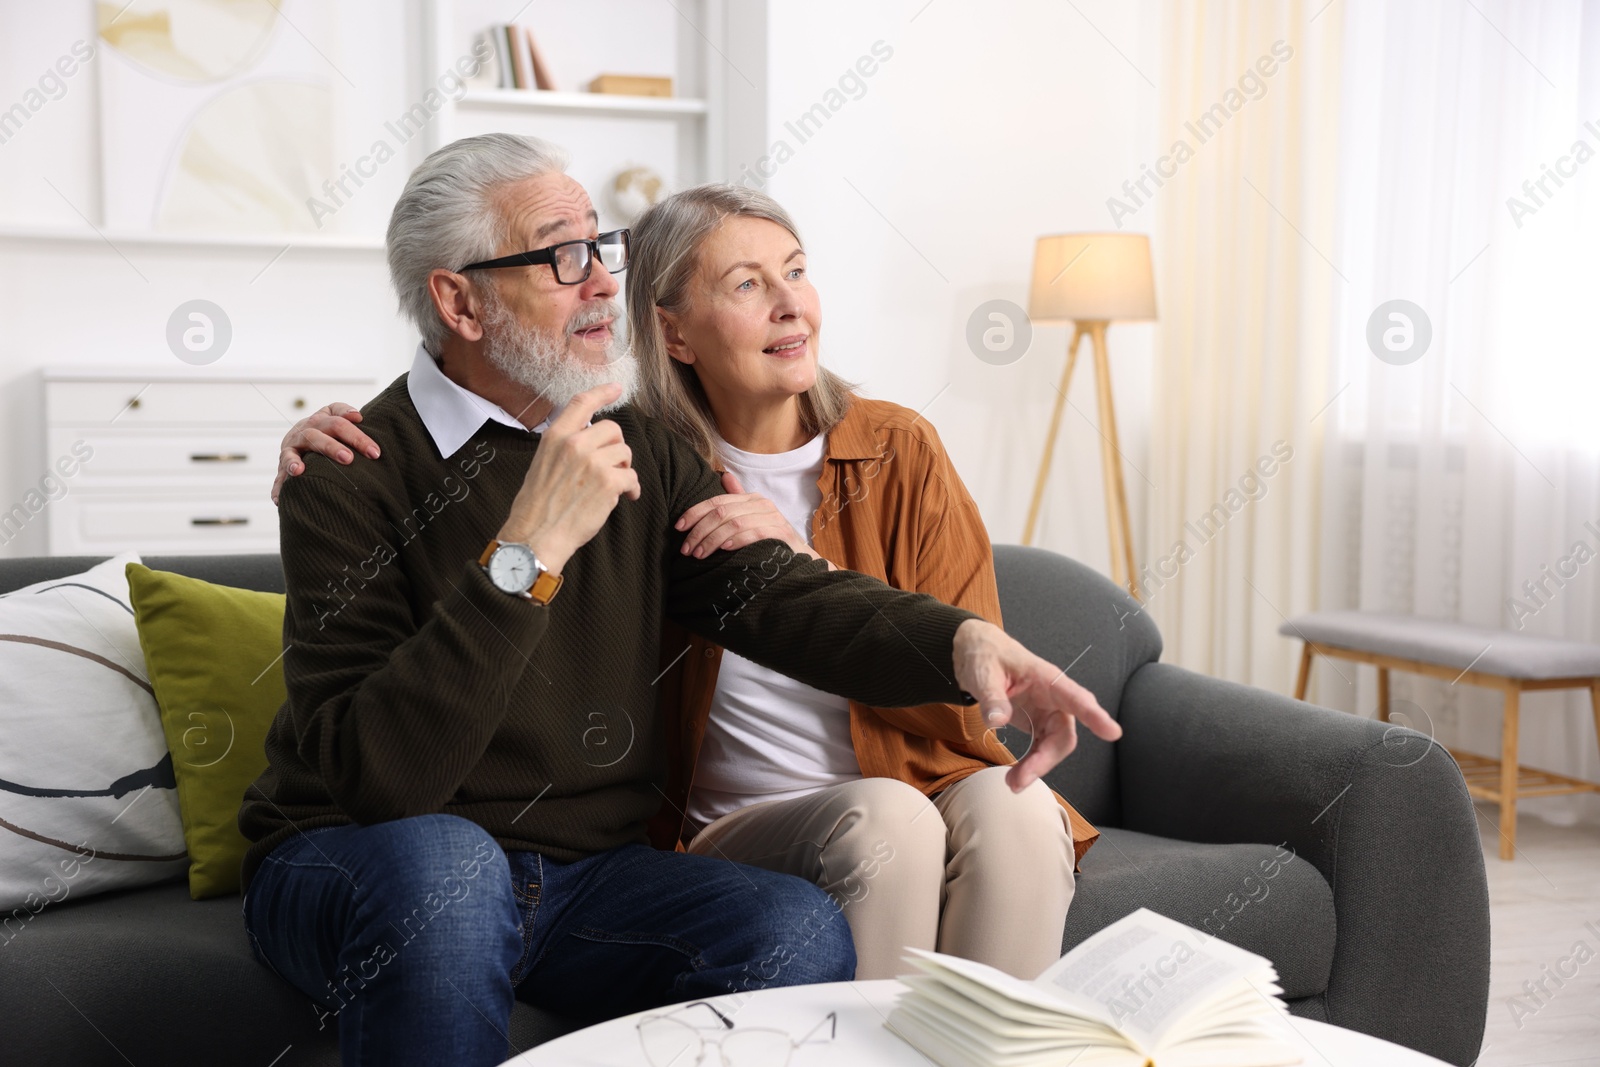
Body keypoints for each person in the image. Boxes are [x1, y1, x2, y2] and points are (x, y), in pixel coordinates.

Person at [275, 177, 1102, 985]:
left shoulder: (642, 446)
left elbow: (783, 600)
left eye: (598, 246)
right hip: (420, 850)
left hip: (595, 873)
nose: (603, 282)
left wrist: (967, 642)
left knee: (810, 915)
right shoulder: (350, 468)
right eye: (564, 257)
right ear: (460, 304)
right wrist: (530, 546)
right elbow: (384, 782)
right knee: (449, 867)